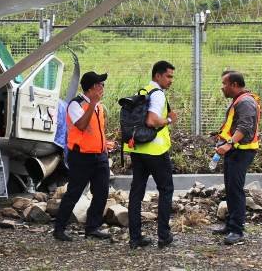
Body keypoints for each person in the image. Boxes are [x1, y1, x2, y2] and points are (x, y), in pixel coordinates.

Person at [53, 71, 114, 241]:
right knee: (74, 192)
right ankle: (59, 229)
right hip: (81, 157)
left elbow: (96, 131)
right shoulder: (76, 104)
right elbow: (81, 125)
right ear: (92, 87)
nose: (103, 88)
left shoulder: (99, 106)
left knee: (101, 192)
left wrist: (105, 145)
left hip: (100, 156)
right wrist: (93, 104)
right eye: (101, 85)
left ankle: (92, 228)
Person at [124, 60, 177, 249]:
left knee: (136, 192)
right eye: (168, 76)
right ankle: (164, 236)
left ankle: (135, 238)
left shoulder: (143, 91)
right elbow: (152, 121)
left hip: (137, 149)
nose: (171, 80)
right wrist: (170, 119)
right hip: (155, 150)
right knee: (166, 189)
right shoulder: (158, 95)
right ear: (158, 76)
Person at [212, 70, 260, 245]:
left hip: (242, 151)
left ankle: (237, 231)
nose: (222, 87)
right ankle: (231, 225)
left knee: (236, 189)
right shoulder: (239, 100)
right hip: (236, 150)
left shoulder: (245, 102)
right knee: (230, 188)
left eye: (224, 84)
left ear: (234, 85)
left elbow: (245, 126)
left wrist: (229, 143)